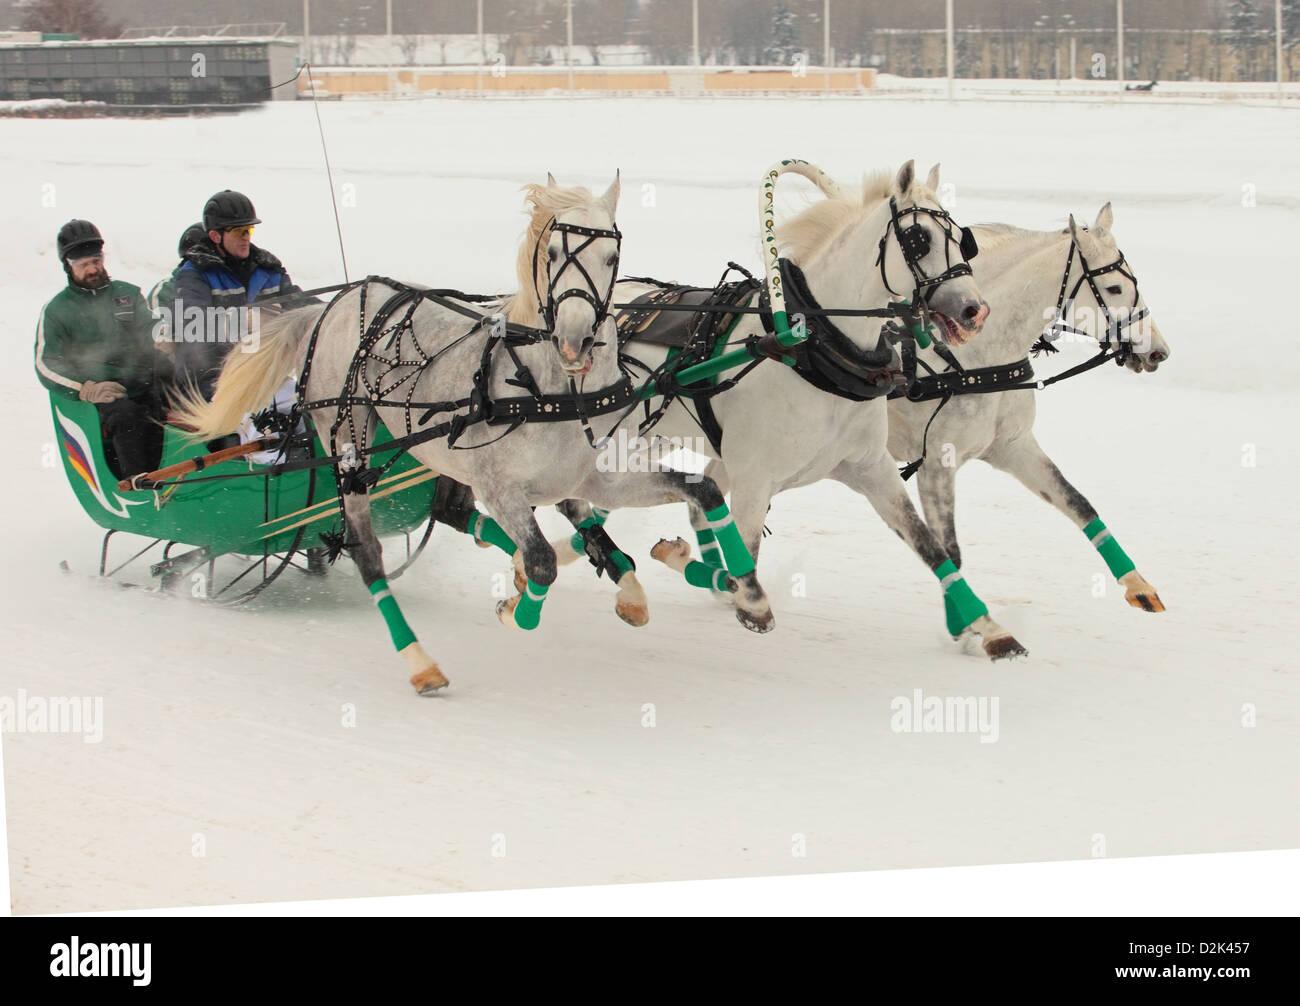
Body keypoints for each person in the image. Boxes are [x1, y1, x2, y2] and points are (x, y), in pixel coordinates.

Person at [35, 219, 169, 479]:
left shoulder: (126, 294)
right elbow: (45, 364)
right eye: (83, 264)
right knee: (127, 415)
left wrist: (164, 336)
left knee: (185, 390)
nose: (93, 269)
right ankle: (136, 484)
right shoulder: (57, 310)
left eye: (96, 261)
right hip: (102, 397)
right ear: (68, 267)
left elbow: (150, 326)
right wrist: (84, 388)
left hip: (144, 382)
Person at [169, 190, 304, 400]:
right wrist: (245, 321)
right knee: (252, 422)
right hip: (207, 379)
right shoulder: (194, 275)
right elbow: (194, 326)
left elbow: (298, 304)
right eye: (238, 232)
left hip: (260, 372)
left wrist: (333, 314)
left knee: (305, 408)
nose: (245, 238)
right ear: (215, 236)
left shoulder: (267, 269)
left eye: (248, 230)